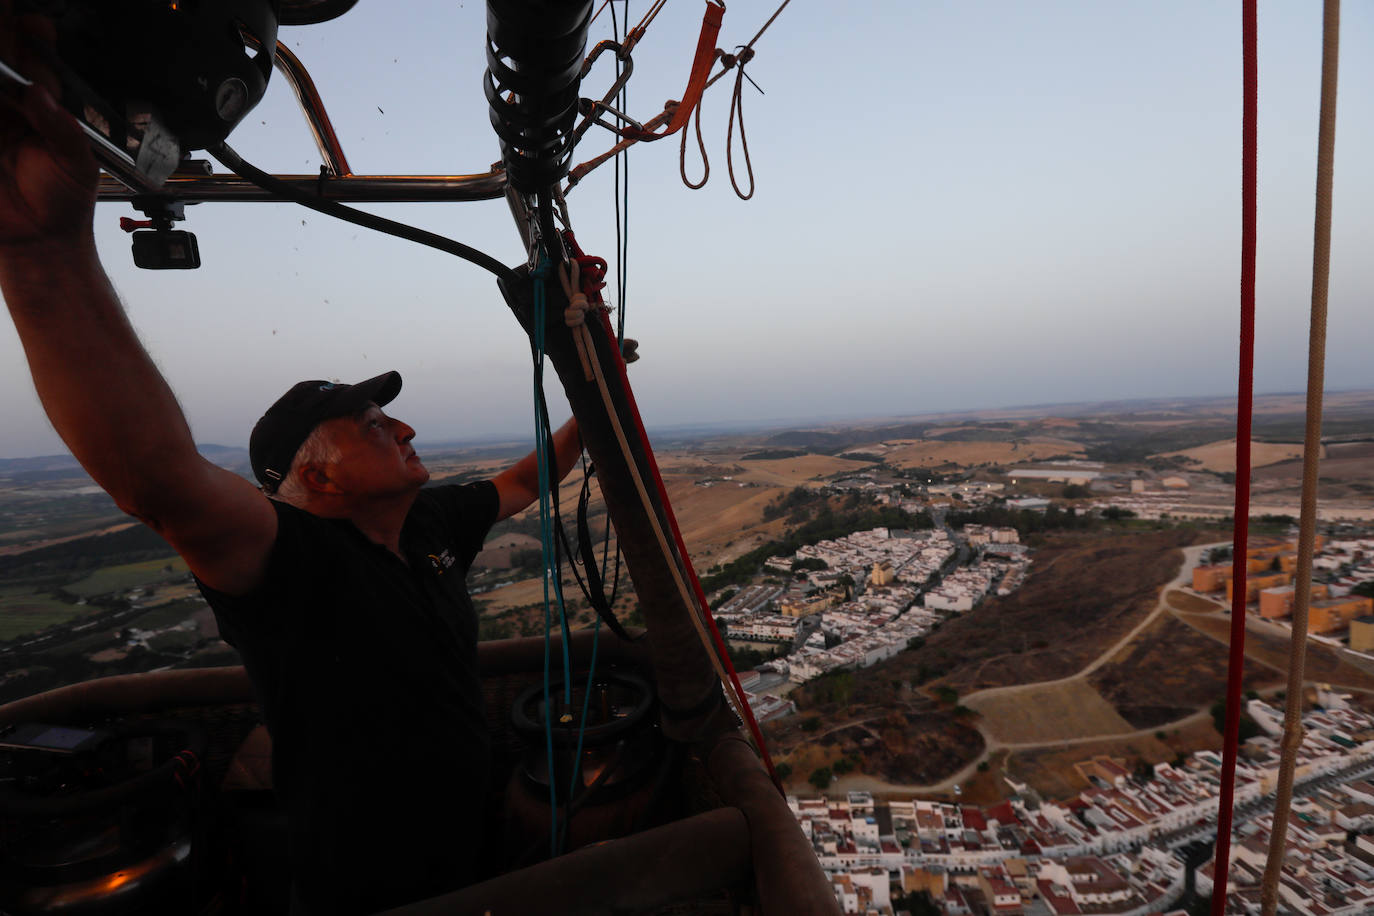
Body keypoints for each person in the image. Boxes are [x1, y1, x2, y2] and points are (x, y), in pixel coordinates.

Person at [0, 7, 582, 911]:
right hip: (367, 882)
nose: (406, 430)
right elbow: (159, 482)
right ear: (316, 476)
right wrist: (42, 258)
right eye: (371, 425)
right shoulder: (287, 564)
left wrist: (593, 388)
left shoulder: (423, 527)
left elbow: (519, 482)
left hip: (472, 842)